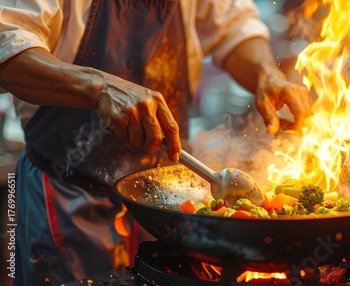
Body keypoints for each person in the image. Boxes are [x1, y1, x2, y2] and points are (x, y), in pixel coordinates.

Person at [0, 0, 312, 285]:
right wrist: (99, 86)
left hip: (164, 199)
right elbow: (8, 43)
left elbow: (232, 24)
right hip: (69, 193)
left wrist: (264, 73)